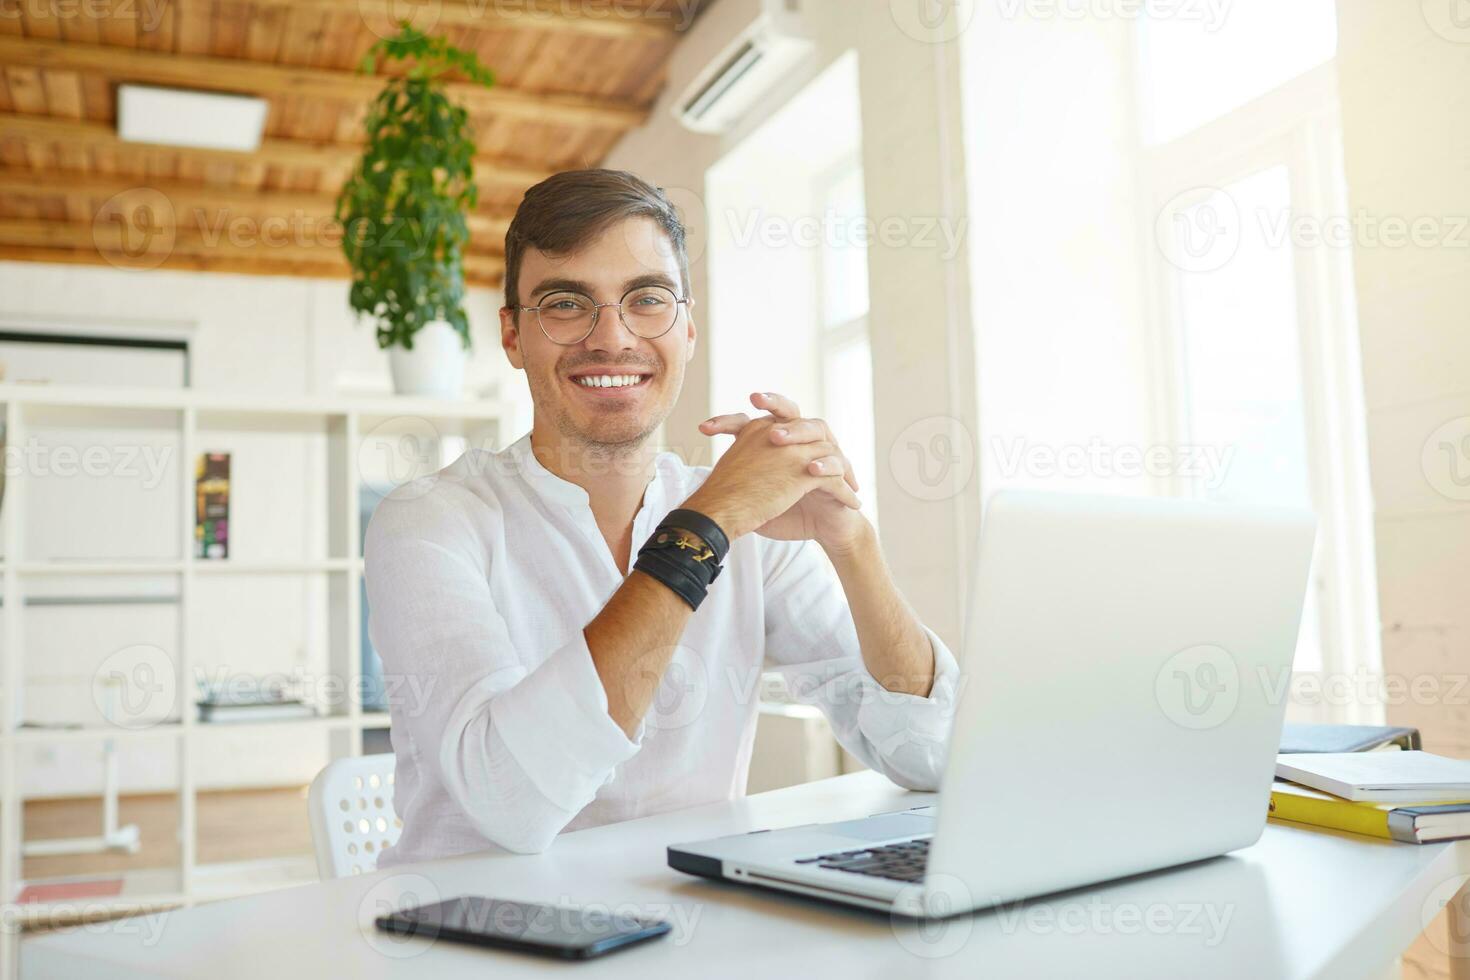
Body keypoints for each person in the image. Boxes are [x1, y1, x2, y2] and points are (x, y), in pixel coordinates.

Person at [366, 169, 958, 865]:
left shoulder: (754, 519)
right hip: (470, 938)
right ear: (513, 337)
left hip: (688, 929)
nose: (611, 337)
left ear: (687, 330)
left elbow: (934, 757)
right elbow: (513, 801)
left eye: (646, 299)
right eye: (564, 303)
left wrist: (850, 539)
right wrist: (703, 527)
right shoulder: (428, 521)